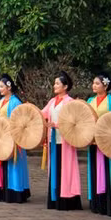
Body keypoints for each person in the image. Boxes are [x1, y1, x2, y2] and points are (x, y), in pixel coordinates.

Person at [41, 71, 82, 210]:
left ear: (65, 86)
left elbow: (73, 121)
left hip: (66, 140)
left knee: (66, 169)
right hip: (53, 139)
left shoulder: (69, 102)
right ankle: (55, 197)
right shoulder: (52, 101)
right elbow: (43, 113)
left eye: (57, 83)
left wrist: (57, 125)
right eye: (54, 83)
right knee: (55, 168)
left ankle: (67, 198)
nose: (54, 85)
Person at [86, 74, 111, 216]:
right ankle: (96, 201)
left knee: (109, 169)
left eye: (97, 83)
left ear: (105, 85)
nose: (94, 86)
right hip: (93, 141)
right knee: (94, 169)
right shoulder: (90, 100)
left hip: (107, 140)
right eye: (93, 83)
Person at [0, 74, 30, 203]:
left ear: (9, 87)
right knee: (2, 161)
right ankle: (3, 189)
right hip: (2, 135)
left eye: (2, 86)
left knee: (13, 163)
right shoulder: (2, 101)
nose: (0, 89)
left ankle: (15, 190)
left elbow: (18, 121)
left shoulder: (15, 102)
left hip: (12, 136)